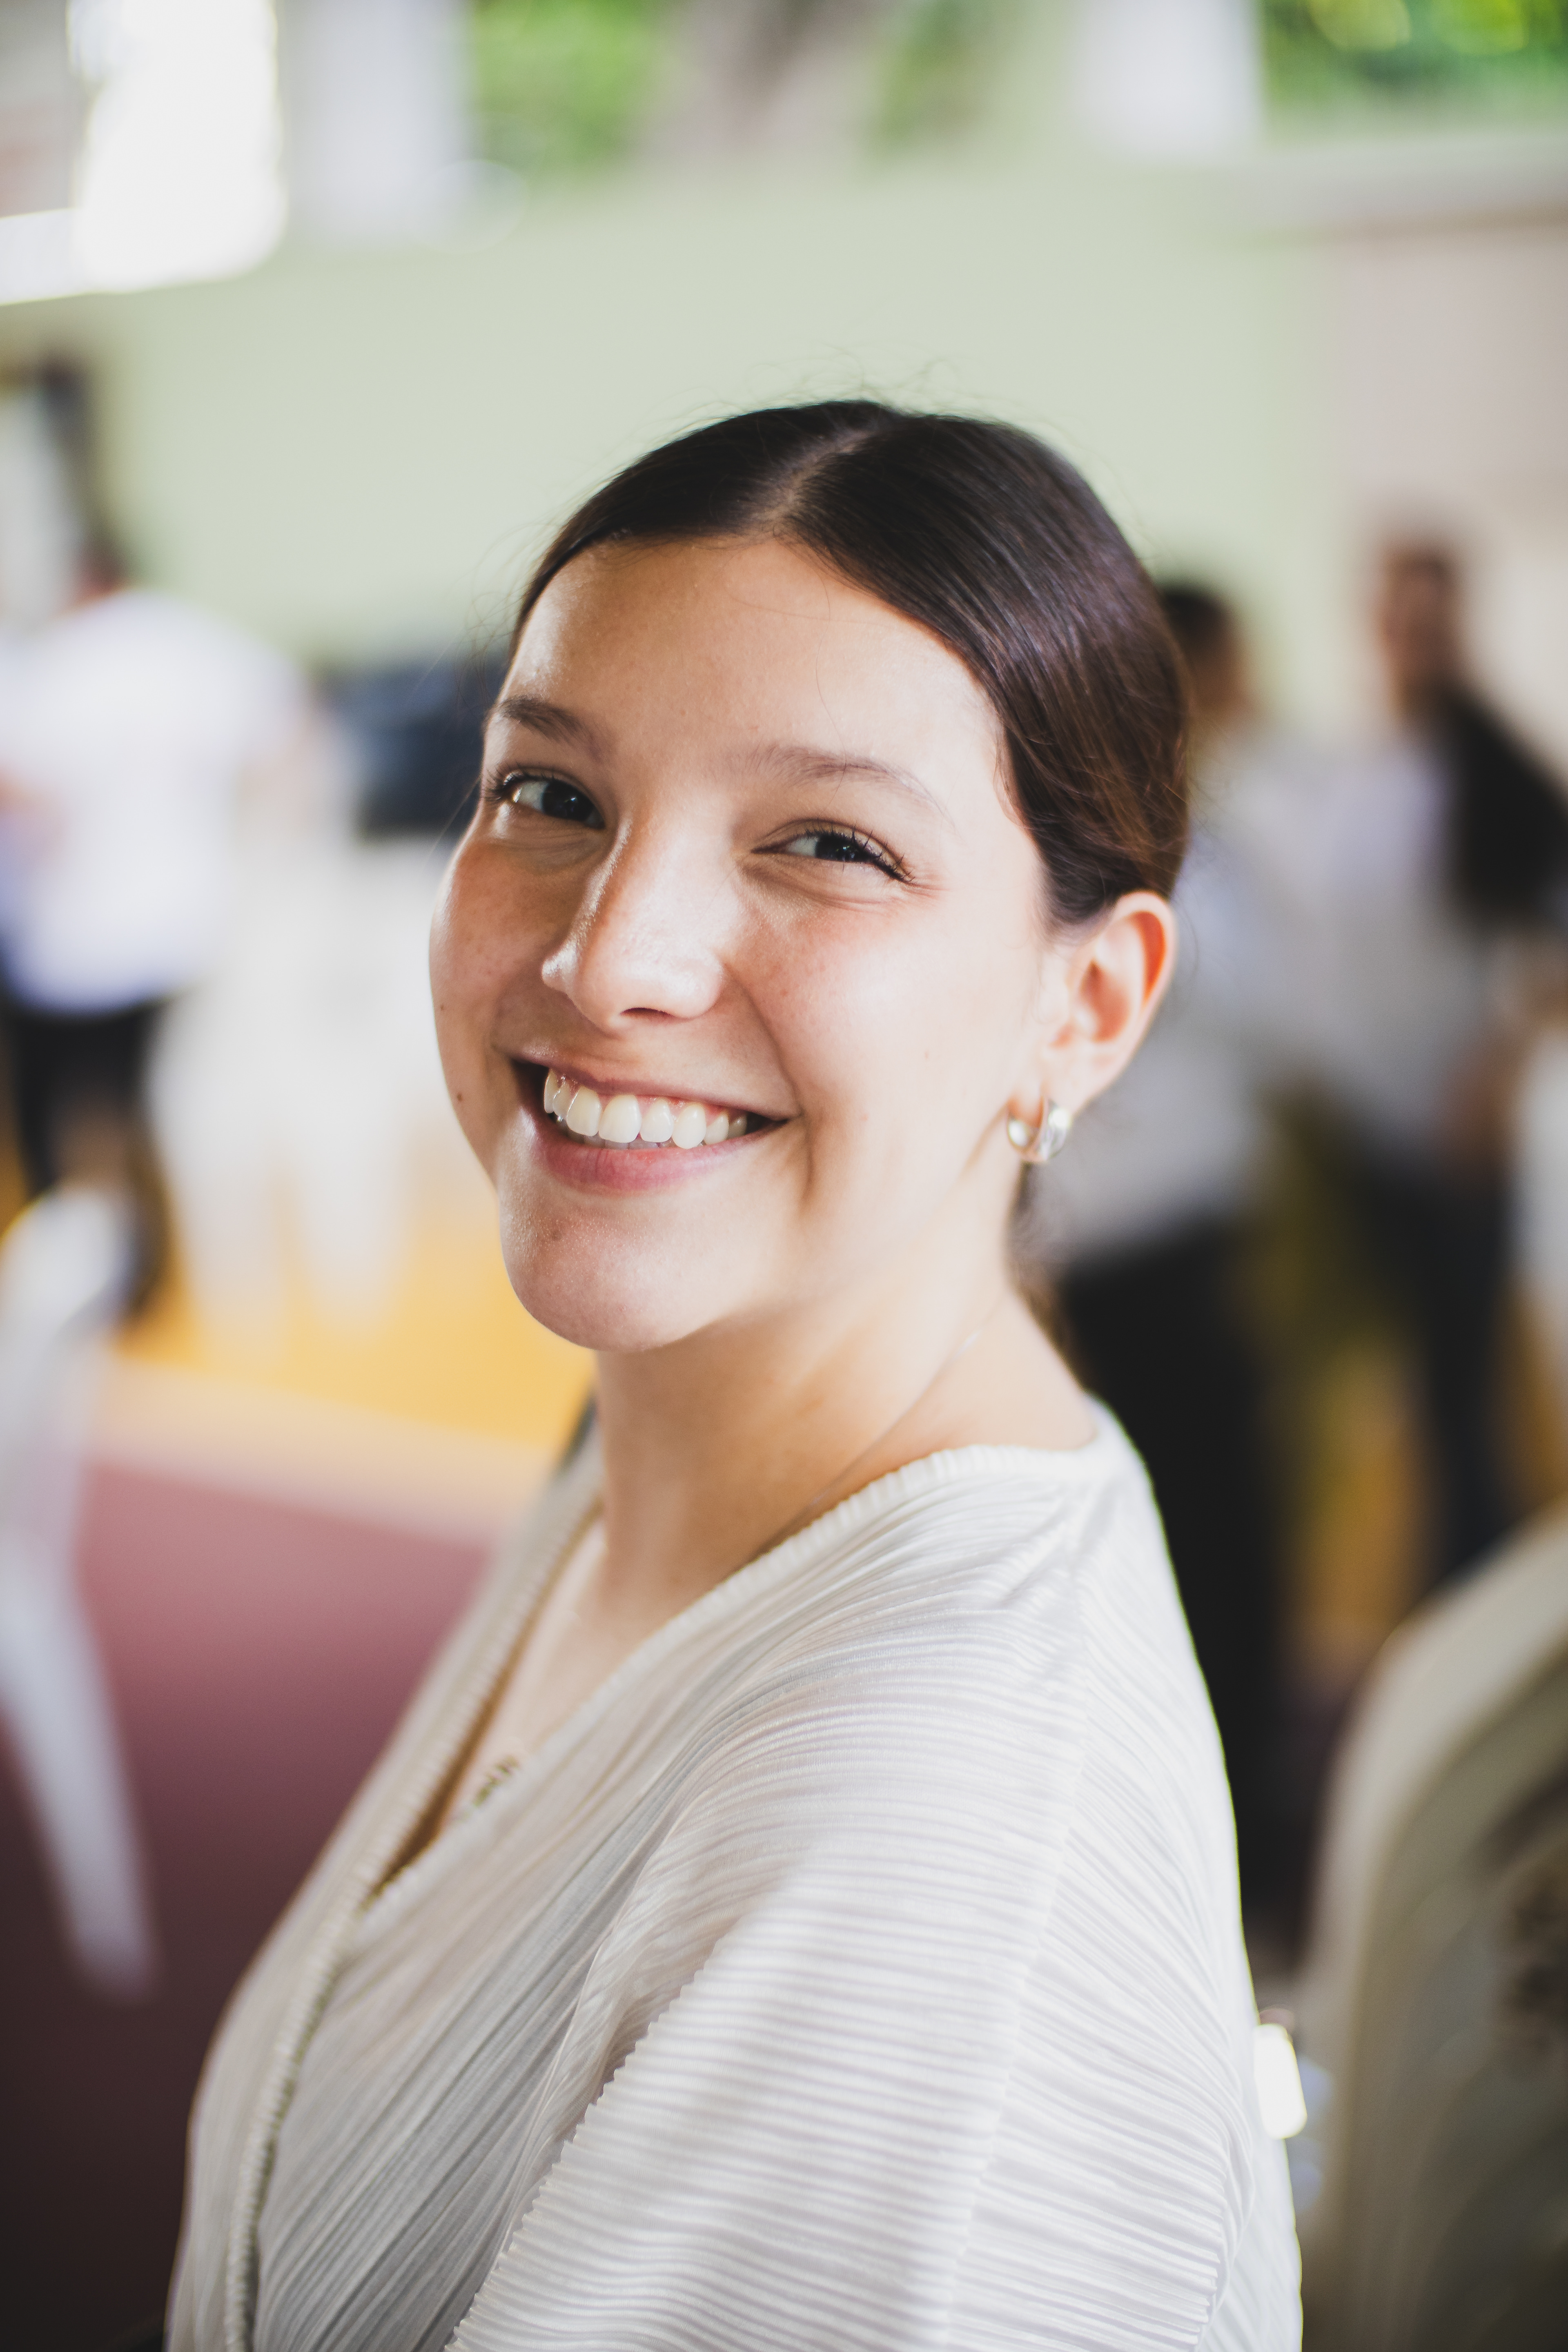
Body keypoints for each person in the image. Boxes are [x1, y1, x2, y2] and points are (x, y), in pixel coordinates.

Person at [169, 404, 1301, 2351]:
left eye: (830, 844)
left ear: (1086, 1004)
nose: (614, 957)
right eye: (551, 793)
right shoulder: (649, 1450)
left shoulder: (943, 1876)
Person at [1038, 584, 1311, 1911]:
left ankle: (1237, 1822)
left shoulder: (1210, 832)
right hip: (1136, 1249)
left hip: (1178, 1235)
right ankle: (1222, 1843)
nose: (1254, 694)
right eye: (1234, 668)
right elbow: (1260, 1003)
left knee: (1227, 1542)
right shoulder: (1134, 850)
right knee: (1202, 1548)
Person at [1301, 543, 1568, 1587]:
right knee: (1398, 1389)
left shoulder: (1498, 776)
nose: (1410, 640)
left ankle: (1482, 1593)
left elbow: (1551, 957)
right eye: (1394, 618)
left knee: (1466, 1388)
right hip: (1364, 1131)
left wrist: (1494, 1079)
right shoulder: (1357, 775)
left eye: (1429, 620)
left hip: (1458, 1136)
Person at [0, 532, 307, 1286]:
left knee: (53, 1115)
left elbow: (25, 791)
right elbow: (288, 734)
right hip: (187, 932)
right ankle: (152, 1270)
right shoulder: (192, 643)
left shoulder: (59, 664)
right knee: (151, 1109)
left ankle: (74, 1274)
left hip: (76, 945)